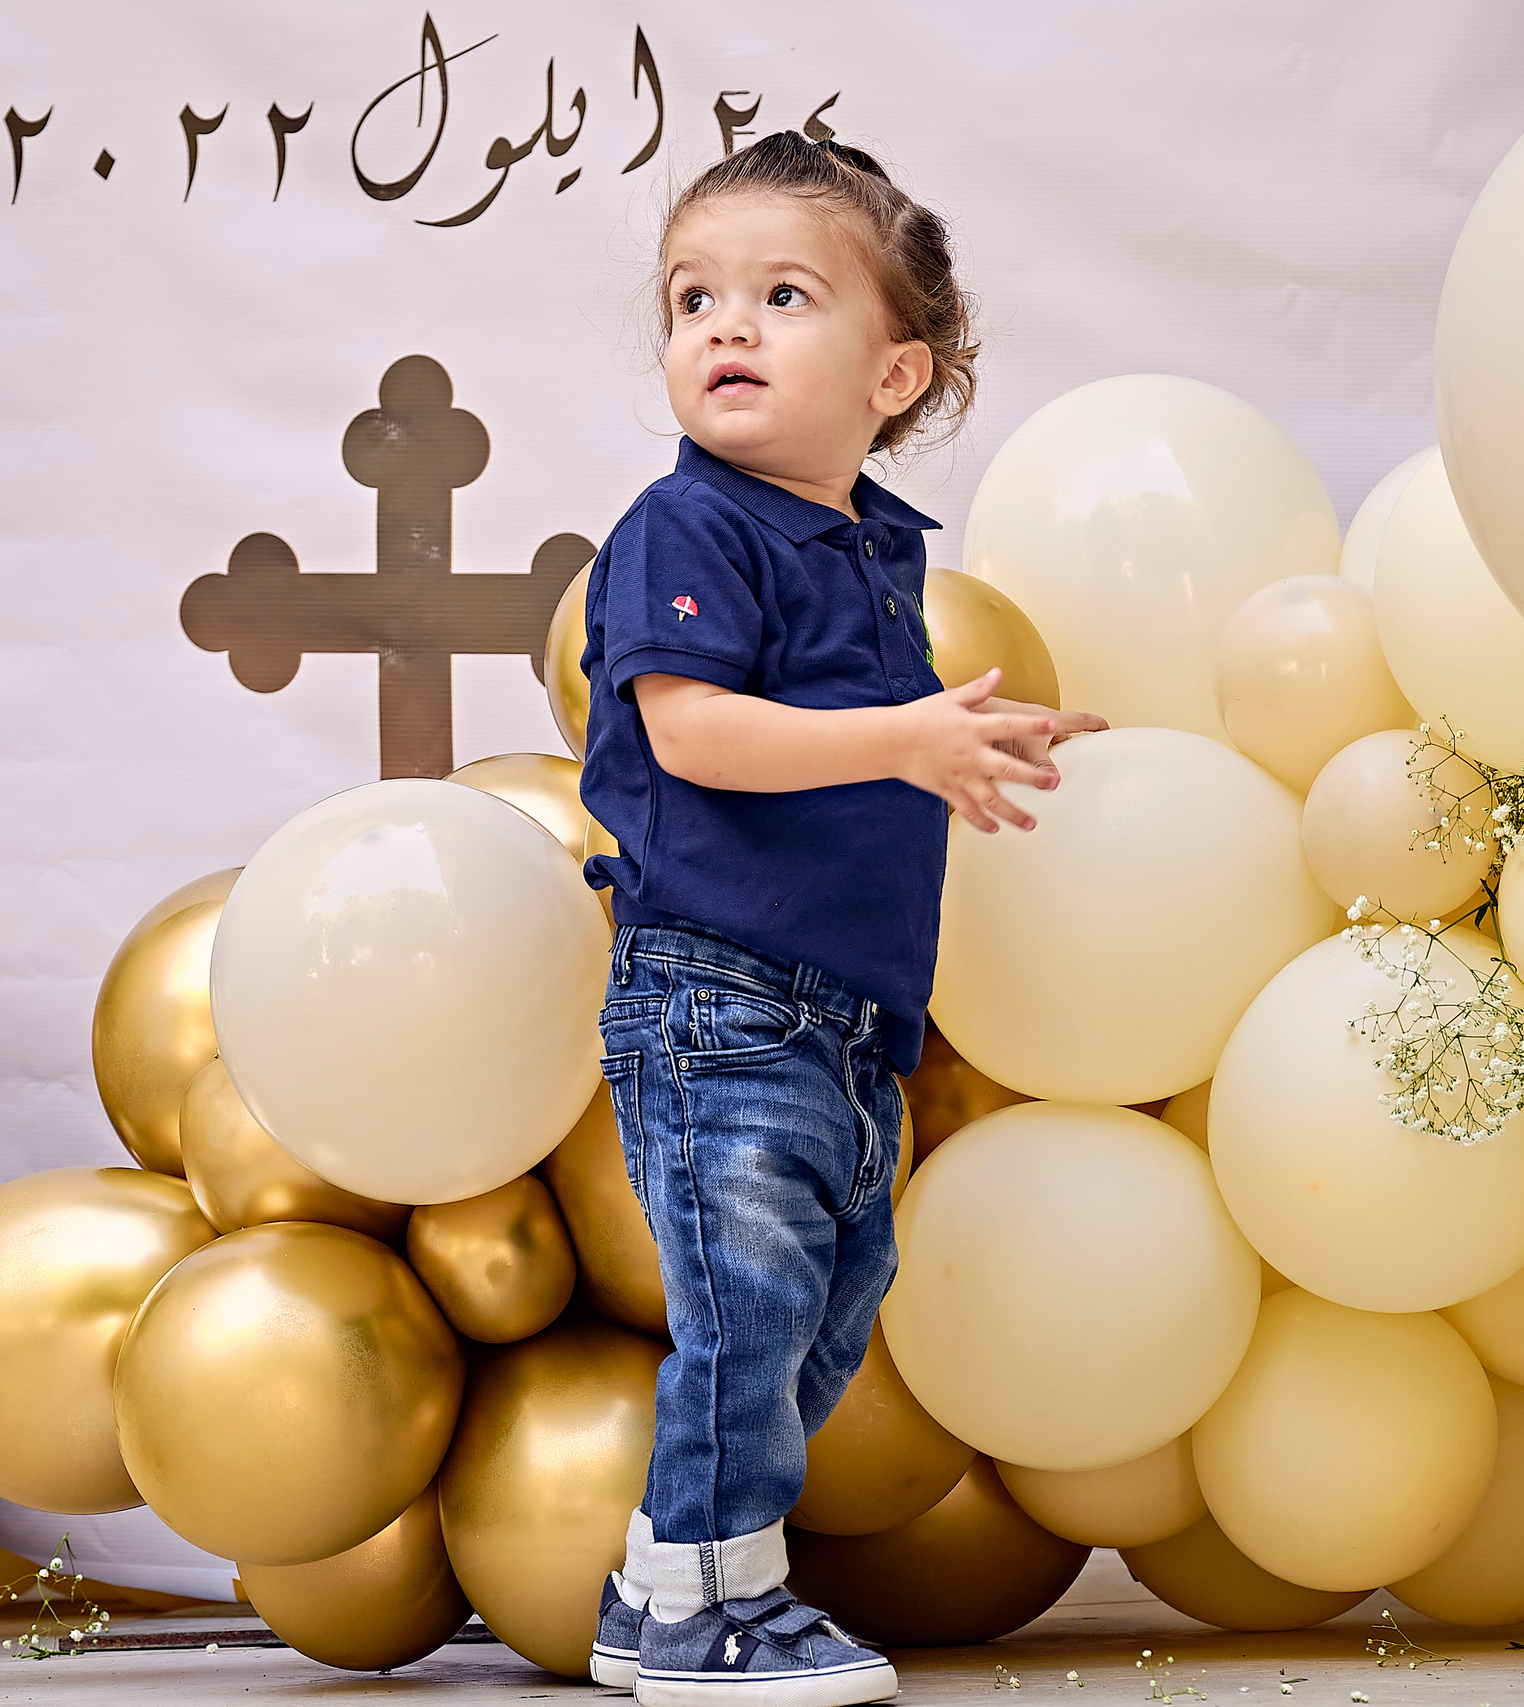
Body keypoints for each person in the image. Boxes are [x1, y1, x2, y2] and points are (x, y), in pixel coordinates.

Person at [576, 131, 1107, 1707]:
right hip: (717, 995)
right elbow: (692, 734)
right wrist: (906, 739)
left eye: (781, 294)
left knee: (816, 1320)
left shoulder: (871, 551)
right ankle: (697, 1605)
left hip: (844, 1022)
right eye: (692, 299)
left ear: (895, 374)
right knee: (747, 1314)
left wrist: (958, 747)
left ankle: (663, 1588)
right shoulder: (689, 531)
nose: (722, 327)